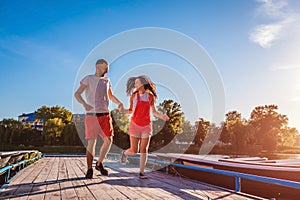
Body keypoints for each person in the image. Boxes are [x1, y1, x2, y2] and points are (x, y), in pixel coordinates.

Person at [74, 58, 123, 179]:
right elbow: (77, 94)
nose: (106, 70)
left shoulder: (107, 81)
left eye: (107, 68)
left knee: (109, 140)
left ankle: (99, 163)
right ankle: (89, 169)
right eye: (104, 67)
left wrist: (119, 103)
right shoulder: (88, 79)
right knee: (91, 143)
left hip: (105, 115)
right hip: (92, 116)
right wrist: (84, 104)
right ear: (97, 66)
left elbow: (110, 96)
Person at [119, 75, 169, 179]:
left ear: (142, 84)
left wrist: (162, 116)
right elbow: (130, 110)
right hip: (135, 124)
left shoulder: (150, 97)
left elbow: (154, 112)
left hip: (146, 125)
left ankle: (141, 172)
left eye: (137, 83)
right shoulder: (134, 96)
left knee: (144, 149)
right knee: (134, 150)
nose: (135, 85)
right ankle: (124, 153)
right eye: (135, 83)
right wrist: (122, 110)